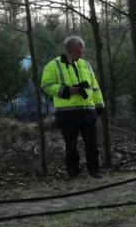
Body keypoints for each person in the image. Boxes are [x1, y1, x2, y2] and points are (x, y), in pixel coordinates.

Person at [40, 36, 105, 178]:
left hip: (88, 110)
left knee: (92, 143)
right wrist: (67, 90)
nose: (83, 52)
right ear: (73, 49)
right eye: (81, 49)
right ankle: (73, 171)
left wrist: (99, 106)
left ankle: (94, 170)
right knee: (70, 145)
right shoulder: (53, 65)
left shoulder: (85, 65)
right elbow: (46, 86)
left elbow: (95, 87)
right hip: (67, 113)